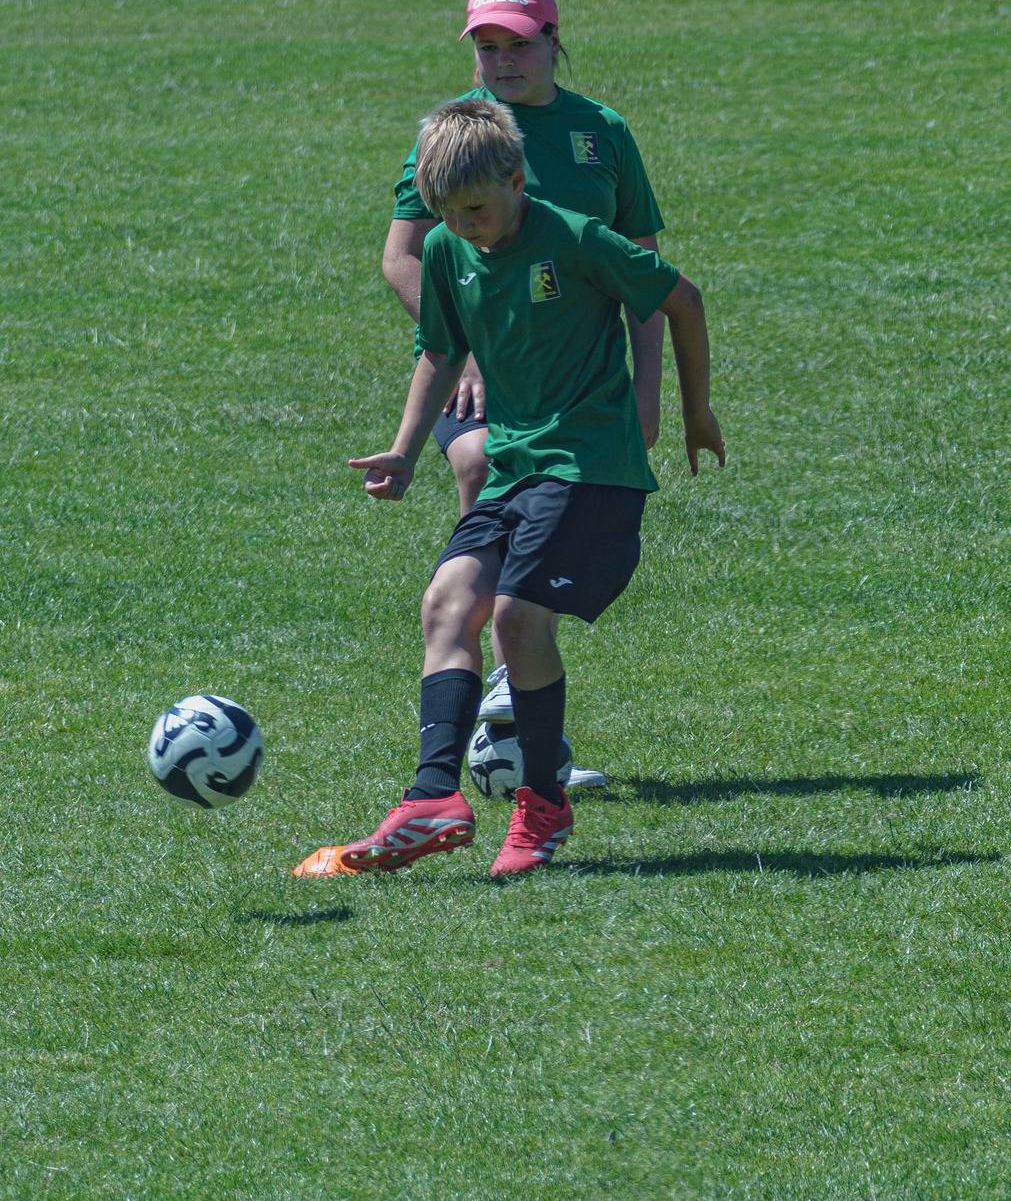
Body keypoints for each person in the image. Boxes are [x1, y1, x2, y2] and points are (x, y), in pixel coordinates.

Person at [295, 98, 724, 879]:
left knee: (519, 618)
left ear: (517, 180)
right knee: (446, 602)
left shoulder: (575, 237)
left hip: (590, 466)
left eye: (477, 209)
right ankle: (432, 797)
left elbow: (682, 299)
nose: (465, 226)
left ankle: (542, 804)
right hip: (515, 468)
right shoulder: (446, 252)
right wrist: (404, 452)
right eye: (448, 214)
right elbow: (439, 353)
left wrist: (696, 412)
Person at [382, 0, 668, 789]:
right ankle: (494, 698)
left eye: (518, 44)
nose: (503, 62)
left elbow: (647, 273)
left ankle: (514, 699)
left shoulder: (601, 132)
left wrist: (648, 395)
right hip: (478, 368)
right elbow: (402, 257)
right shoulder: (455, 136)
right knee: (476, 461)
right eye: (487, 47)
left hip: (573, 385)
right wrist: (469, 348)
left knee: (532, 572)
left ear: (553, 40)